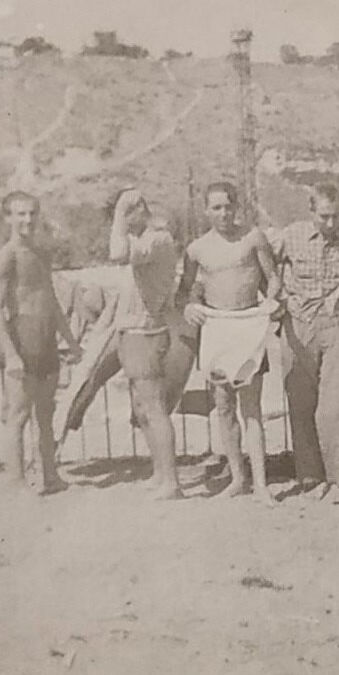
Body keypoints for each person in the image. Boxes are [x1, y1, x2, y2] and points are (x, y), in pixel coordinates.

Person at [180, 182, 282, 505]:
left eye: (228, 206)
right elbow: (186, 290)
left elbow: (272, 277)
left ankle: (261, 484)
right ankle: (238, 478)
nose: (223, 213)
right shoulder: (196, 249)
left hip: (247, 325)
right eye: (216, 208)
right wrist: (189, 306)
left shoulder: (253, 237)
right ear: (206, 211)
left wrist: (272, 300)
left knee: (251, 408)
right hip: (216, 328)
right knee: (223, 407)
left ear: (236, 207)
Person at [275, 183, 339, 504]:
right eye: (324, 216)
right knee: (300, 402)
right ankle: (310, 477)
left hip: (337, 324)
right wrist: (279, 298)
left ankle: (336, 480)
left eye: (336, 216)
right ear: (311, 211)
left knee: (337, 404)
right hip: (297, 324)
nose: (331, 223)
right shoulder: (290, 236)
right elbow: (261, 266)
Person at [0, 191, 82, 494]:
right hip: (23, 335)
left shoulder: (41, 252)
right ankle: (16, 482)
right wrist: (11, 354)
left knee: (45, 413)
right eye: (20, 214)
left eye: (31, 213)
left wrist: (71, 341)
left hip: (46, 337)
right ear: (8, 218)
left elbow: (51, 300)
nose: (27, 219)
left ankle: (50, 477)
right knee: (18, 414)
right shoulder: (6, 257)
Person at [107, 187, 185, 500]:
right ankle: (160, 473)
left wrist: (118, 215)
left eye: (130, 210)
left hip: (146, 332)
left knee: (153, 407)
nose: (126, 218)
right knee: (142, 409)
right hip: (133, 332)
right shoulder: (143, 241)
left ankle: (172, 482)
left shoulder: (158, 240)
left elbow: (116, 253)